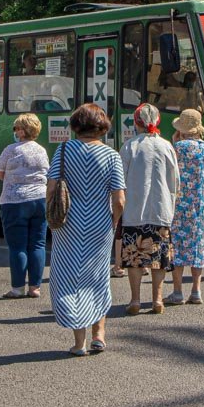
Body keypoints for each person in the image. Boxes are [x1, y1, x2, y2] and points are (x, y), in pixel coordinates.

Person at [47, 104, 126, 355]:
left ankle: (79, 343)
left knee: (69, 278)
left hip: (67, 224)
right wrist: (113, 221)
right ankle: (99, 334)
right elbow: (119, 199)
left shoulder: (63, 150)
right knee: (97, 277)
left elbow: (50, 189)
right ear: (102, 126)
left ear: (76, 125)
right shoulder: (112, 156)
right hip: (99, 224)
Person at [120, 103, 179, 315]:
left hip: (135, 210)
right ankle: (157, 300)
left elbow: (121, 179)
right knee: (158, 258)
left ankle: (135, 300)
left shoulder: (130, 146)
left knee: (134, 257)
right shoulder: (166, 146)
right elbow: (175, 181)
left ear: (137, 122)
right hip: (161, 210)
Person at [0, 113, 49, 299]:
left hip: (14, 200)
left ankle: (17, 288)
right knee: (37, 244)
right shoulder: (42, 150)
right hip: (40, 199)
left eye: (16, 128)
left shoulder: (11, 150)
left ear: (21, 130)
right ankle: (35, 287)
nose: (15, 131)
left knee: (18, 246)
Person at [165, 109, 204, 306]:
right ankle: (196, 290)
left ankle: (177, 292)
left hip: (180, 204)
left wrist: (175, 140)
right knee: (197, 247)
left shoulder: (178, 147)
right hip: (200, 204)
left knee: (177, 245)